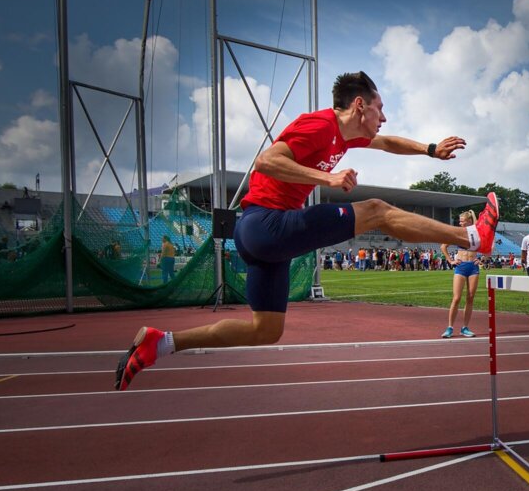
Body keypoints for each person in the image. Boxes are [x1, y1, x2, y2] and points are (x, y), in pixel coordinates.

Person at [115, 71, 500, 390]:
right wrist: (326, 177)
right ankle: (471, 238)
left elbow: (387, 144)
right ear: (359, 105)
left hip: (264, 241)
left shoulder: (348, 135)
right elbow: (266, 162)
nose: (383, 118)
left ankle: (161, 343)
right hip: (265, 222)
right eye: (380, 108)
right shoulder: (320, 124)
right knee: (377, 211)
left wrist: (430, 149)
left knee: (266, 330)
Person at [440, 210, 481, 338]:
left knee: (470, 297)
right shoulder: (458, 233)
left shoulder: (477, 233)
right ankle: (450, 327)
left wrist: (482, 258)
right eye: (460, 221)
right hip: (461, 266)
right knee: (457, 298)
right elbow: (443, 246)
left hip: (473, 267)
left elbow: (487, 247)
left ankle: (465, 328)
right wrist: (450, 260)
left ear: (469, 221)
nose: (460, 223)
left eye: (462, 221)